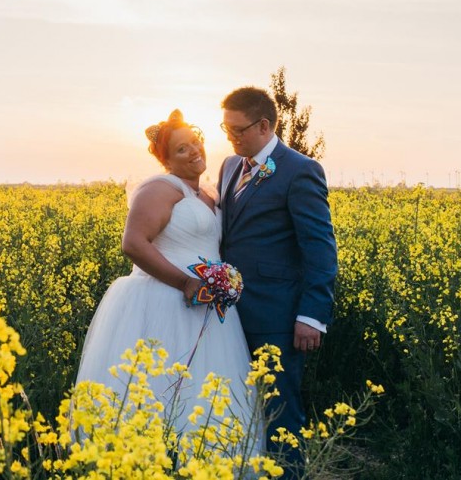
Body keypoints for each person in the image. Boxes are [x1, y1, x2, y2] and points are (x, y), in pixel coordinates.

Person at [74, 109, 261, 449]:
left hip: (210, 306)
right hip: (166, 300)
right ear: (167, 161)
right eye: (181, 149)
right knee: (163, 385)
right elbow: (133, 244)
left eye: (195, 142)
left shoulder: (207, 193)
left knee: (210, 386)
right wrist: (186, 282)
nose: (194, 151)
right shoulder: (160, 189)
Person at [217, 87, 338, 476]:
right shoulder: (229, 166)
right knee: (238, 404)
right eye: (225, 128)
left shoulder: (299, 169)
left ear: (264, 125)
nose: (230, 137)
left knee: (280, 412)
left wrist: (312, 315)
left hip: (277, 314)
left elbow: (319, 248)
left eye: (237, 129)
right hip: (229, 312)